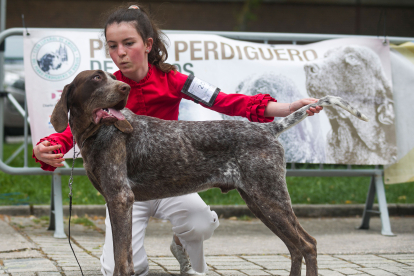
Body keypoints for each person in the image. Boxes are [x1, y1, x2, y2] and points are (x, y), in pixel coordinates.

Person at [33, 4, 323, 276]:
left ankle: (184, 245)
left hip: (173, 184)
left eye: (129, 43)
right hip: (130, 190)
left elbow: (224, 101)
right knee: (115, 268)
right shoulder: (107, 87)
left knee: (204, 222)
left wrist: (284, 109)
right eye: (113, 46)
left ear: (147, 44)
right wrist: (49, 148)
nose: (120, 52)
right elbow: (78, 127)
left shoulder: (173, 80)